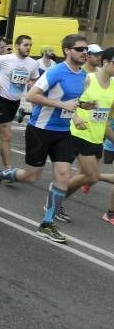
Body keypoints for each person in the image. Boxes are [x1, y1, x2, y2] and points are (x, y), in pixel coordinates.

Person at [0, 34, 91, 244]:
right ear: (67, 50)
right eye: (80, 49)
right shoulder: (56, 72)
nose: (84, 53)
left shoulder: (82, 75)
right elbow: (32, 96)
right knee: (31, 176)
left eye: (86, 49)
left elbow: (70, 101)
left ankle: (47, 223)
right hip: (40, 129)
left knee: (62, 175)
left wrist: (83, 107)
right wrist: (62, 106)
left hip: (62, 132)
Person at [61, 47, 114, 220]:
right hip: (78, 133)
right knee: (91, 177)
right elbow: (67, 101)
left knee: (85, 178)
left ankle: (56, 202)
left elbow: (105, 119)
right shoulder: (88, 79)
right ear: (105, 62)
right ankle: (55, 196)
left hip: (96, 138)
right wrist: (75, 116)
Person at [0, 35, 39, 171]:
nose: (28, 48)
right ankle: (8, 169)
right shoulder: (4, 59)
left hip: (15, 101)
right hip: (1, 98)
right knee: (6, 134)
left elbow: (34, 79)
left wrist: (32, 87)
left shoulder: (33, 63)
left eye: (30, 45)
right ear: (17, 46)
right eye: (25, 45)